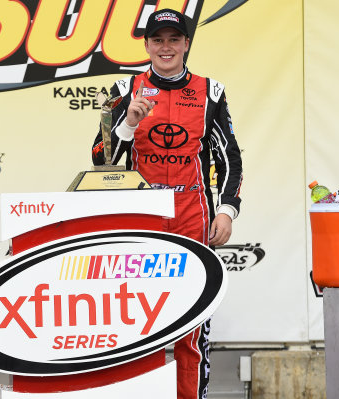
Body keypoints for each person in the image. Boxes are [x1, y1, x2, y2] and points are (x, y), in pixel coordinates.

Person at [91, 8, 243, 399]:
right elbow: (100, 159)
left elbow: (229, 158)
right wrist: (128, 122)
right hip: (141, 220)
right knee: (137, 321)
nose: (166, 47)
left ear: (186, 44)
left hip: (193, 217)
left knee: (191, 325)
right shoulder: (125, 90)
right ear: (146, 45)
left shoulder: (211, 92)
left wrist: (226, 210)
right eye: (158, 39)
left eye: (174, 39)